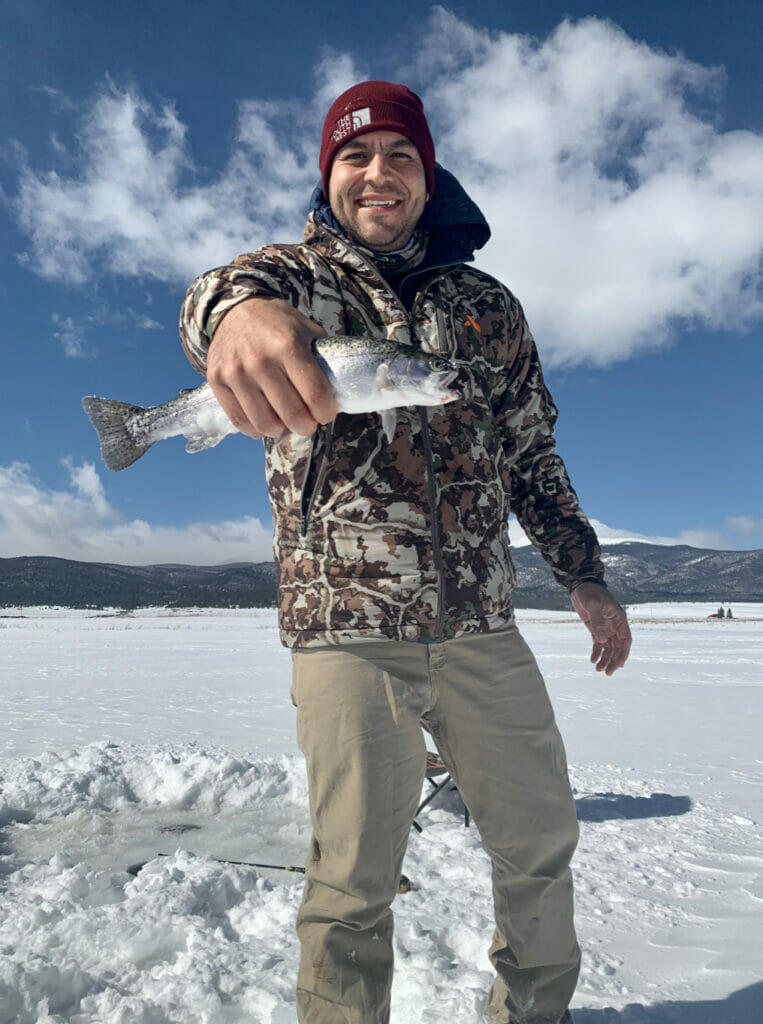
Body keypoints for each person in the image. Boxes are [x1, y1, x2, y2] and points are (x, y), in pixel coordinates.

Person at [179, 81, 631, 1024]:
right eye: (355, 156)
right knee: (351, 880)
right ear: (328, 176)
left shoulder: (486, 308)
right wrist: (235, 317)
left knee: (542, 845)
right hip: (346, 627)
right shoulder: (296, 279)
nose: (376, 173)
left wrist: (585, 577)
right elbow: (221, 297)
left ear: (428, 179)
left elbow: (533, 455)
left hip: (482, 626)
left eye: (400, 157)